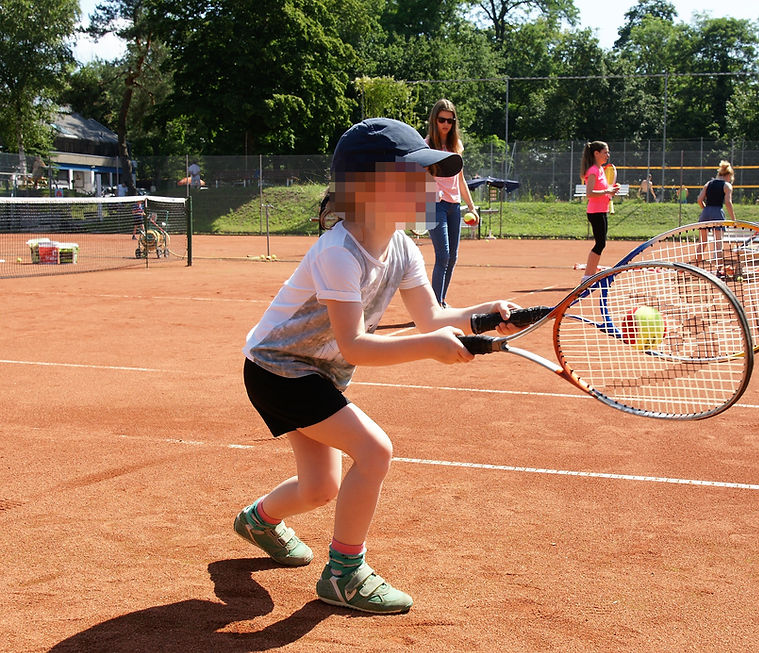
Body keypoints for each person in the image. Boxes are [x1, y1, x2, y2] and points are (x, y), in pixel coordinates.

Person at [235, 117, 521, 615]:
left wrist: (482, 317)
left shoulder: (403, 247)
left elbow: (432, 315)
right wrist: (431, 345)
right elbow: (356, 346)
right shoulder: (338, 253)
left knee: (319, 487)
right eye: (413, 177)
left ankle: (259, 520)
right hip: (277, 368)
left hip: (313, 372)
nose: (428, 186)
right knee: (374, 450)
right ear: (368, 188)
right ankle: (344, 574)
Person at [424, 99, 477, 307]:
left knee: (453, 257)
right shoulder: (427, 145)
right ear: (434, 120)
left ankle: (441, 301)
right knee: (443, 256)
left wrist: (471, 206)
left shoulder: (456, 146)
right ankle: (434, 305)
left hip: (454, 206)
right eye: (441, 119)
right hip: (434, 205)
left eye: (450, 120)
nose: (446, 123)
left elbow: (460, 179)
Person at [580, 141, 620, 281]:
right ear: (596, 153)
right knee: (600, 243)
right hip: (595, 212)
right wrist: (607, 190)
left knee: (601, 243)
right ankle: (587, 276)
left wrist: (611, 192)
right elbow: (589, 193)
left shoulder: (601, 169)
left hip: (601, 211)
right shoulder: (593, 171)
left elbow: (603, 192)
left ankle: (589, 275)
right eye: (605, 152)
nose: (607, 155)